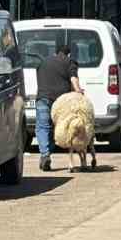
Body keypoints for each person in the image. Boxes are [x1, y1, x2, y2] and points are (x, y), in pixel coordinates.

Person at [33, 42, 81, 172]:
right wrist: (78, 91)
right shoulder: (70, 62)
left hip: (43, 98)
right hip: (60, 102)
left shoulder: (43, 62)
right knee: (59, 128)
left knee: (43, 127)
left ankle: (45, 154)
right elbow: (73, 78)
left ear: (55, 52)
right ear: (69, 54)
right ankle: (50, 151)